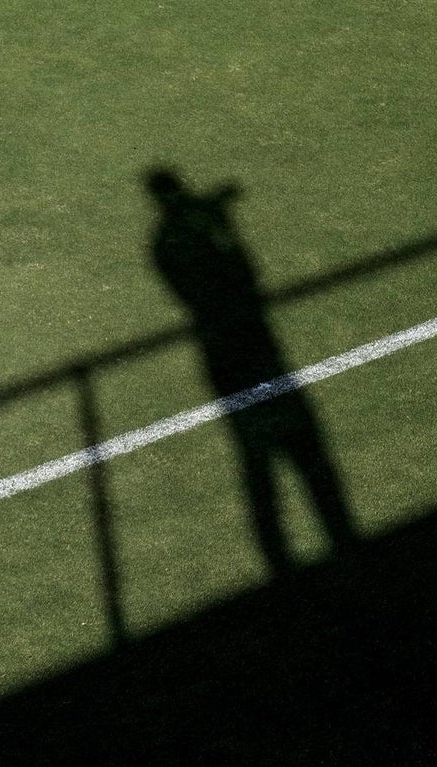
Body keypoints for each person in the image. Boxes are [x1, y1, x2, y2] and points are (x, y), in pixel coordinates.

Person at [146, 169, 358, 574]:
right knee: (285, 457)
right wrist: (222, 231)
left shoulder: (163, 244)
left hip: (225, 357)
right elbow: (244, 274)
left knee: (260, 461)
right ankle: (328, 546)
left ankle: (283, 558)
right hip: (246, 351)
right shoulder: (186, 240)